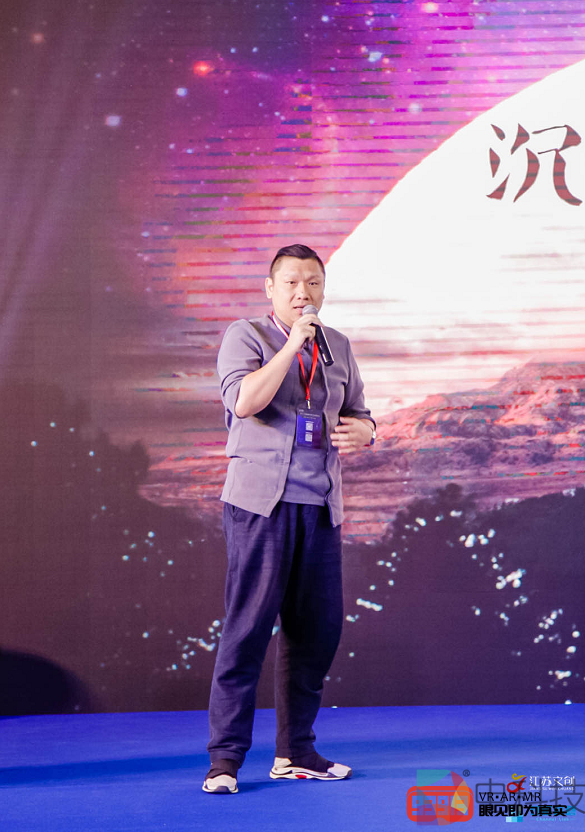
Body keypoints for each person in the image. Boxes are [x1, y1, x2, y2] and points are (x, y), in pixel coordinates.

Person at [203, 243, 375, 794]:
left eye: (314, 283)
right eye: (293, 283)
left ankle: (296, 752)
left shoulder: (338, 346)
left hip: (320, 507)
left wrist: (366, 431)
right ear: (270, 289)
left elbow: (360, 412)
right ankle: (225, 761)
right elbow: (244, 401)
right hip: (260, 506)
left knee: (316, 633)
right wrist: (292, 345)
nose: (304, 293)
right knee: (248, 629)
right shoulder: (245, 336)